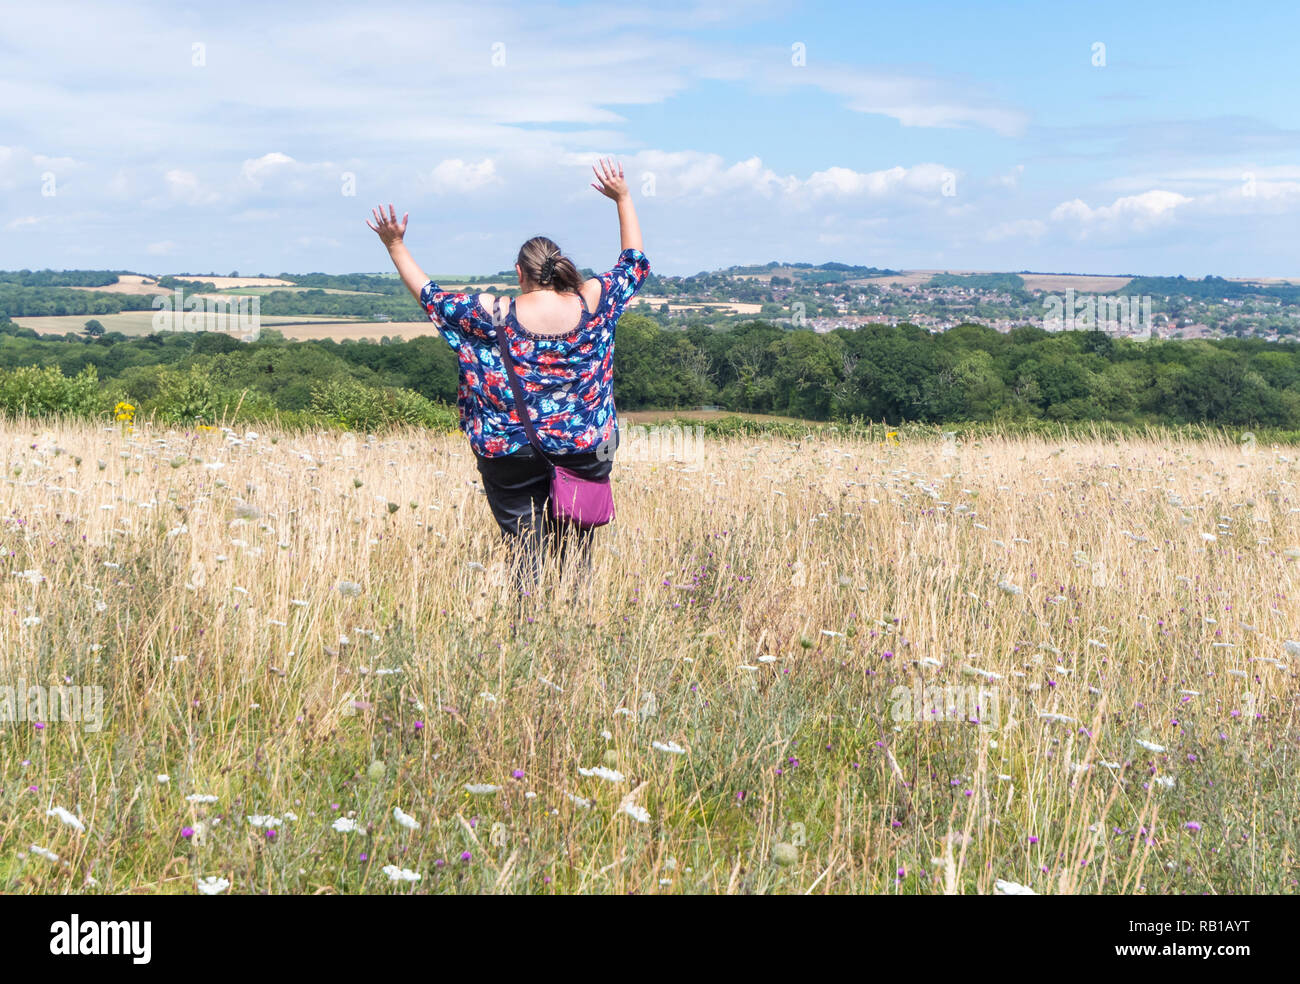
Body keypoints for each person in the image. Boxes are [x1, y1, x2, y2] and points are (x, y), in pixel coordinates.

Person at [366, 158, 648, 584]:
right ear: (561, 270)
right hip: (587, 448)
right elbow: (635, 262)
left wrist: (395, 246)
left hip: (510, 453)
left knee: (524, 558)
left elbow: (431, 297)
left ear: (520, 274)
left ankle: (527, 630)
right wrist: (622, 197)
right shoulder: (595, 304)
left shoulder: (492, 315)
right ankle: (579, 629)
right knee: (576, 557)